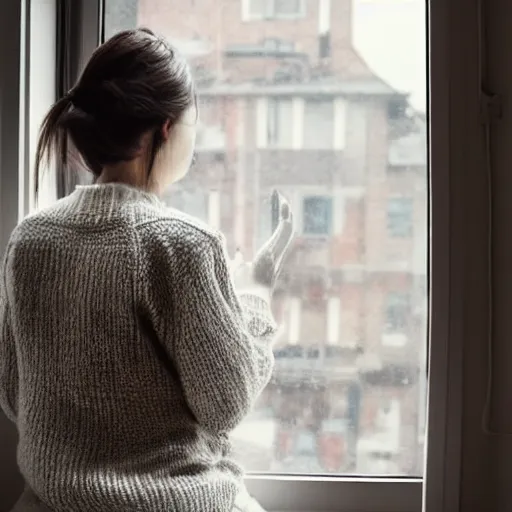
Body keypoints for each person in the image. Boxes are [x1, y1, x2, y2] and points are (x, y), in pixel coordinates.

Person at [0, 28, 293, 512]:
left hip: (52, 498)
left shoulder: (29, 240)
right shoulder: (181, 245)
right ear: (165, 130)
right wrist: (256, 297)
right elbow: (226, 405)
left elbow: (14, 393)